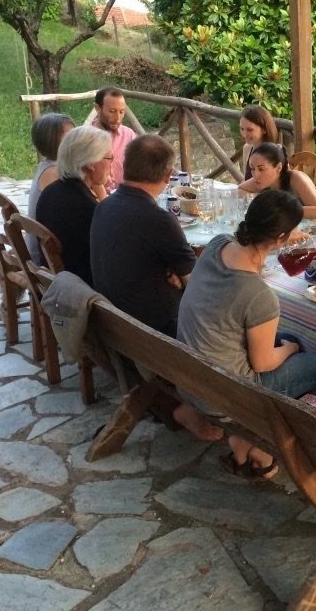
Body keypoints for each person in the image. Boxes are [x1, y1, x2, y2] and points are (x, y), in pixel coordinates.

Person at [177, 190, 316, 478]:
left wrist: (277, 239)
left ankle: (254, 432)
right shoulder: (258, 294)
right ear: (281, 237)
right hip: (230, 394)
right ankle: (258, 434)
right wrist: (289, 350)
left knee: (291, 337)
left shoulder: (217, 245)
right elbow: (262, 364)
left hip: (189, 374)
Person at [90, 134, 220, 442]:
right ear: (167, 176)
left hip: (116, 325)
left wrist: (174, 274)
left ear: (124, 167)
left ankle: (178, 406)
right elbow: (199, 288)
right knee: (233, 315)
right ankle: (225, 409)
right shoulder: (158, 219)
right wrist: (183, 277)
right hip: (156, 334)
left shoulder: (103, 206)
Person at [35, 125, 112, 285]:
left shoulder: (51, 191)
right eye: (109, 158)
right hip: (81, 294)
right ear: (92, 163)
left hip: (56, 284)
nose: (112, 165)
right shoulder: (87, 208)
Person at [239, 142, 316, 230]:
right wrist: (254, 199)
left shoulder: (296, 178)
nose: (255, 174)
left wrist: (280, 209)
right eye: (252, 168)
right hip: (300, 234)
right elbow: (238, 190)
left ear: (278, 168)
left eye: (261, 169)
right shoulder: (262, 180)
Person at [27, 112, 75, 265]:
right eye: (70, 137)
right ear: (52, 141)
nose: (76, 141)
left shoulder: (47, 165)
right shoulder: (54, 173)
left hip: (44, 248)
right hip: (45, 258)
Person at [91, 86, 136, 190]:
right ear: (98, 108)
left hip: (124, 197)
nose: (117, 118)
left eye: (121, 112)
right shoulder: (84, 138)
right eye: (112, 111)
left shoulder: (129, 135)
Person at [238, 105, 280, 180]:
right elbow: (245, 180)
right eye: (242, 129)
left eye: (250, 130)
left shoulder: (275, 153)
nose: (244, 134)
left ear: (264, 129)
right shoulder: (247, 148)